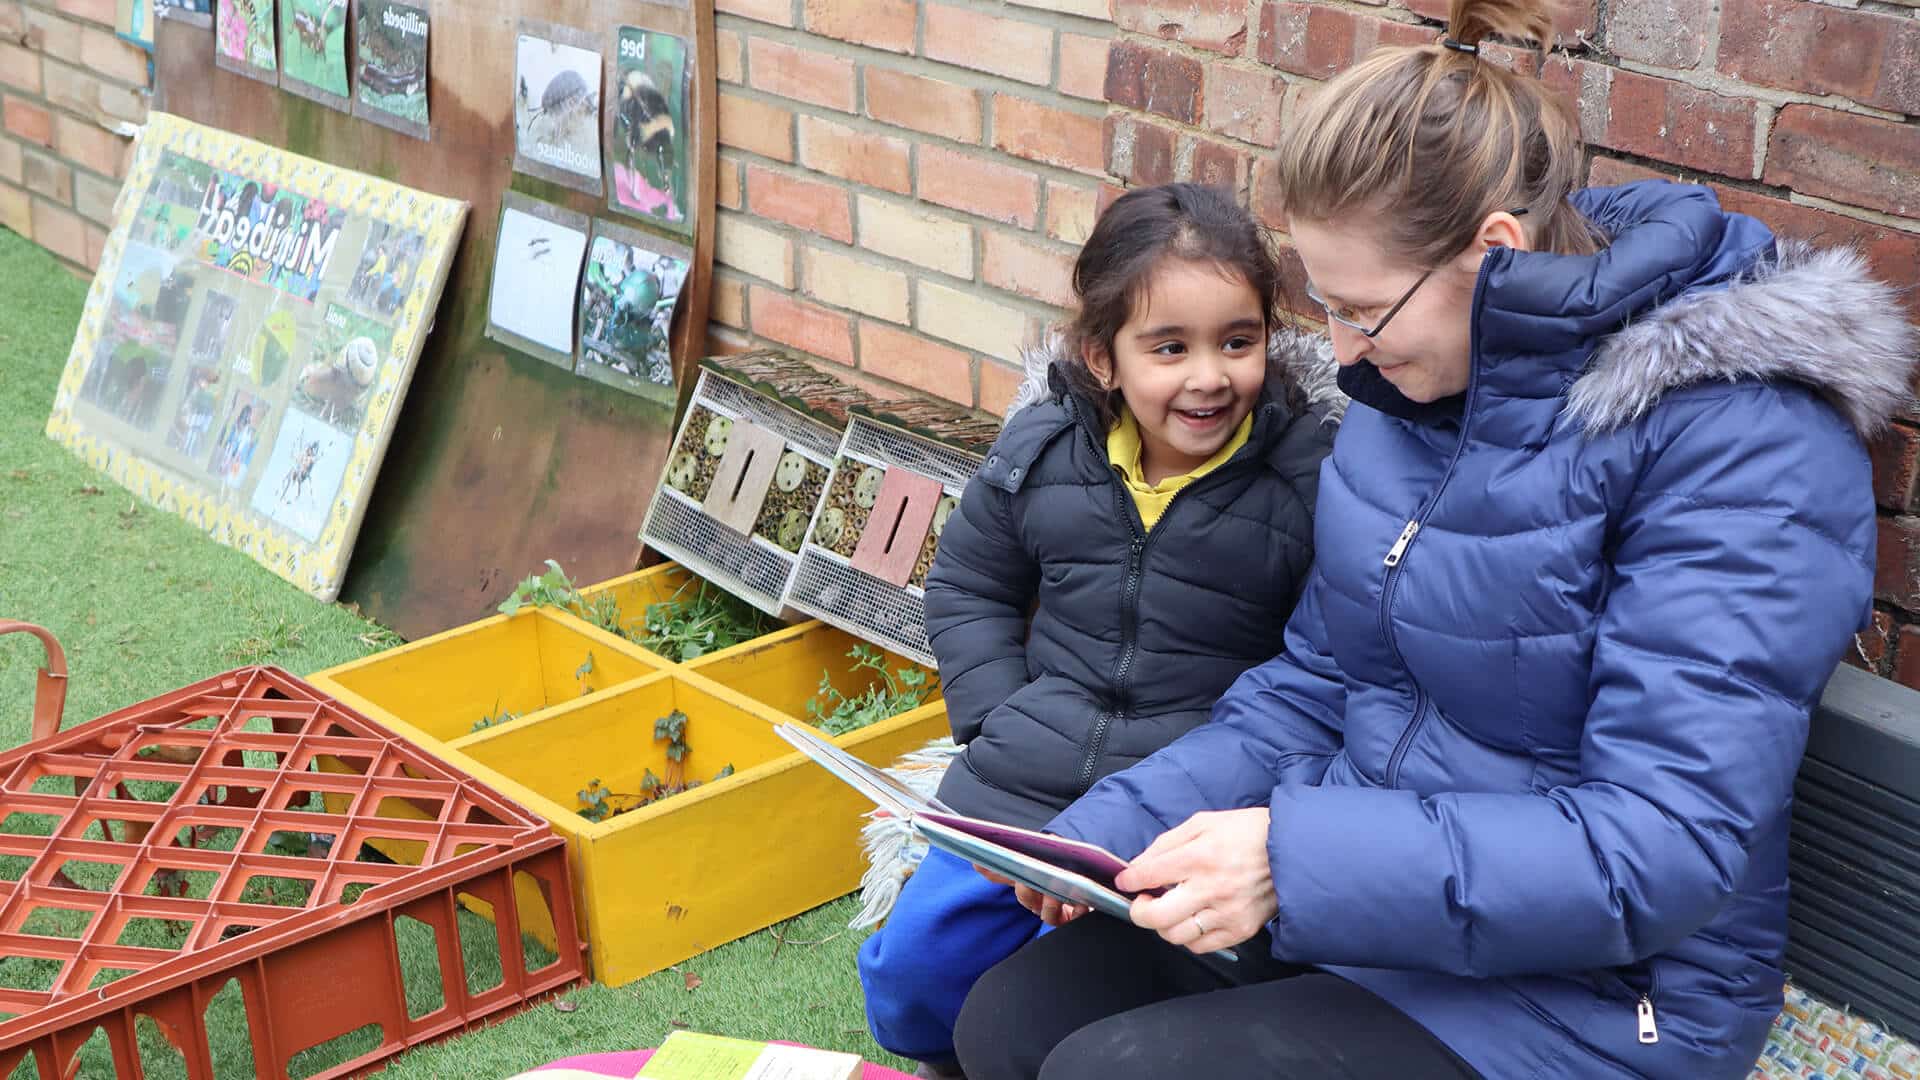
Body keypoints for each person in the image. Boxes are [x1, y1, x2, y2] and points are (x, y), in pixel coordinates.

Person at [949, 0, 1918, 1077]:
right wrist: (1117, 820)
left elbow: (1662, 848)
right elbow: (1318, 680)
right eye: (1327, 307)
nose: (1344, 352)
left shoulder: (1743, 446)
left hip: (1600, 995)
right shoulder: (1409, 395)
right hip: (1378, 912)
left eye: (1364, 310)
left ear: (1493, 254)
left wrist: (1296, 862)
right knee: (1006, 1021)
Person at [858, 183, 1342, 1079]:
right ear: (1103, 357)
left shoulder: (1307, 481)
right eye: (1170, 347)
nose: (1209, 375)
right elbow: (967, 585)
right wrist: (997, 716)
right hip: (1022, 786)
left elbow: (1319, 666)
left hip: (1183, 801)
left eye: (1238, 341)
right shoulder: (1042, 451)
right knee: (909, 972)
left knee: (1137, 996)